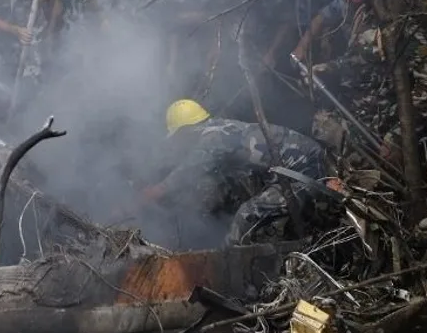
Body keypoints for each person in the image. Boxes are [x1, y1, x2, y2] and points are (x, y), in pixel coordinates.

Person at [138, 99, 331, 245]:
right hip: (288, 171)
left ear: (185, 130)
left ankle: (236, 269)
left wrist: (153, 193)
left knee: (247, 214)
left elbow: (188, 170)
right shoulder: (220, 127)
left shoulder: (214, 138)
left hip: (304, 172)